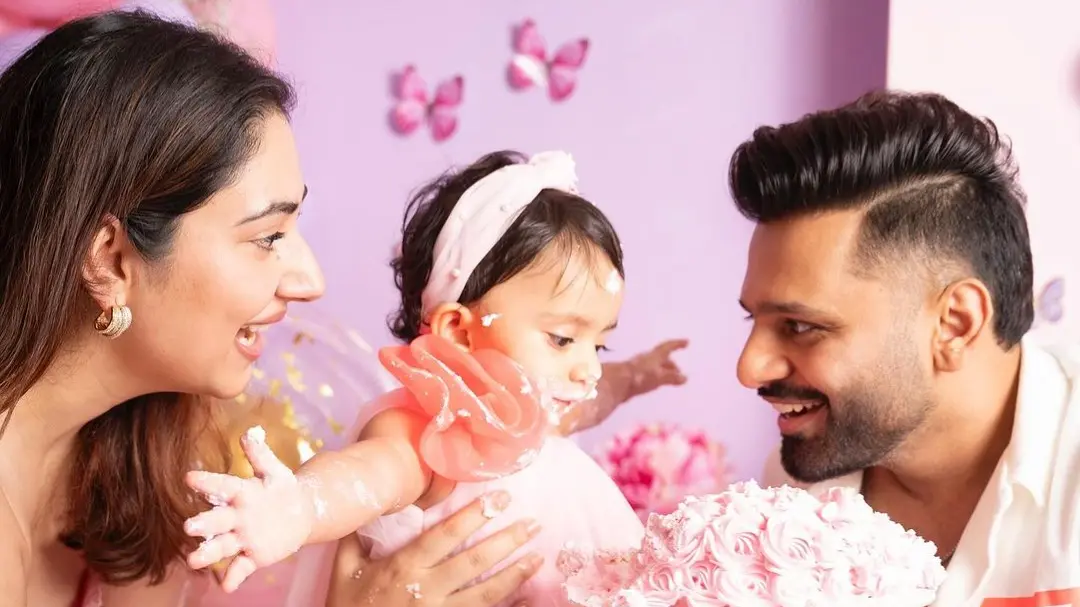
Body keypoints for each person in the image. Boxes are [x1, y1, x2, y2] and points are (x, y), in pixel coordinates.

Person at [184, 150, 652, 607]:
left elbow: (592, 400)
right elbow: (368, 475)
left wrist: (633, 376)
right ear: (459, 333)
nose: (588, 368)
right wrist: (300, 508)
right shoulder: (432, 432)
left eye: (601, 345)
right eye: (563, 339)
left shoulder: (532, 427)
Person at [733, 90, 1080, 606]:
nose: (749, 367)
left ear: (955, 323)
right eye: (753, 318)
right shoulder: (794, 495)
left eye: (801, 325)